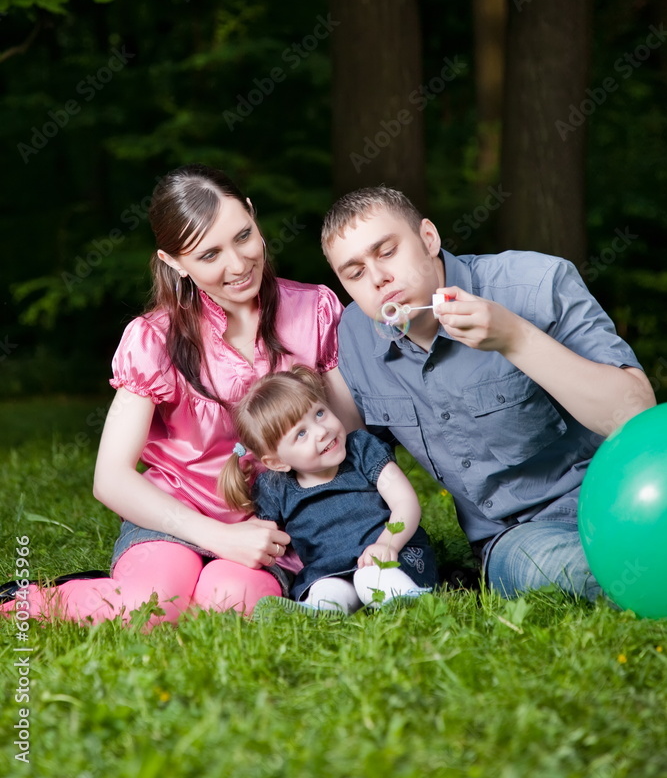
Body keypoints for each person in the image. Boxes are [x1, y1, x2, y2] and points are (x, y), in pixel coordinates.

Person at [2, 164, 361, 625]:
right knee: (147, 609)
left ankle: (184, 586)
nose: (238, 264)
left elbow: (349, 439)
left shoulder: (314, 310)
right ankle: (26, 600)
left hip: (276, 525)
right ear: (174, 262)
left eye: (244, 235)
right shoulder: (155, 338)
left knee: (231, 605)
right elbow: (110, 477)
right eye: (209, 254)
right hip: (175, 516)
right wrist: (216, 536)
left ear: (253, 216)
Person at [321, 186, 656, 602]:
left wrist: (514, 338)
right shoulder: (354, 339)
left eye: (387, 251)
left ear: (428, 239)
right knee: (571, 570)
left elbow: (636, 413)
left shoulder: (534, 284)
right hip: (519, 537)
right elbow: (344, 456)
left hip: (621, 493)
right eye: (354, 273)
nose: (377, 278)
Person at [218, 365, 437, 614]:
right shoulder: (275, 488)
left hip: (392, 555)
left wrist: (388, 544)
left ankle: (408, 602)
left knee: (370, 578)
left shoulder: (362, 450)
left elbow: (405, 502)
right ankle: (318, 613)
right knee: (328, 589)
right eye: (301, 433)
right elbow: (263, 536)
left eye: (319, 413)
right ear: (277, 462)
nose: (322, 431)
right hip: (330, 569)